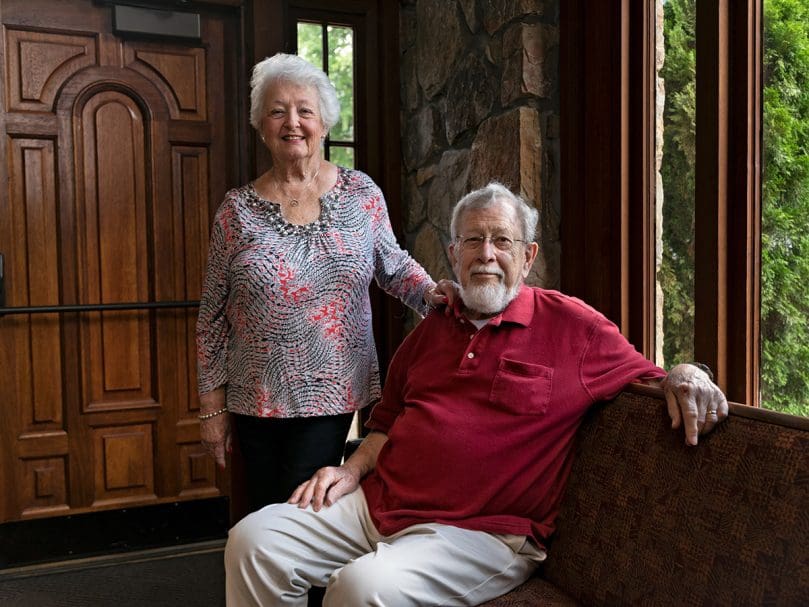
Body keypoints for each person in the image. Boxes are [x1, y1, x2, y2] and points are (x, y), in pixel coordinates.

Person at [224, 182, 729, 606]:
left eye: (502, 241)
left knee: (362, 588)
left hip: (482, 533)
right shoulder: (431, 329)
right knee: (253, 541)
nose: (486, 254)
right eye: (473, 241)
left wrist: (691, 371)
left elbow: (653, 374)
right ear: (453, 255)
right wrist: (350, 469)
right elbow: (387, 423)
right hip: (378, 504)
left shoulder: (574, 327)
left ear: (527, 256)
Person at [195, 53, 453, 512]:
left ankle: (308, 585)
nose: (292, 122)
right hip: (254, 396)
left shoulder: (361, 193)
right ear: (261, 125)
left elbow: (392, 265)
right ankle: (270, 583)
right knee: (260, 514)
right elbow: (212, 314)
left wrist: (433, 294)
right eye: (277, 111)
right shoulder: (235, 211)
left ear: (324, 123)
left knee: (305, 509)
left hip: (331, 390)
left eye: (304, 110)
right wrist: (212, 408)